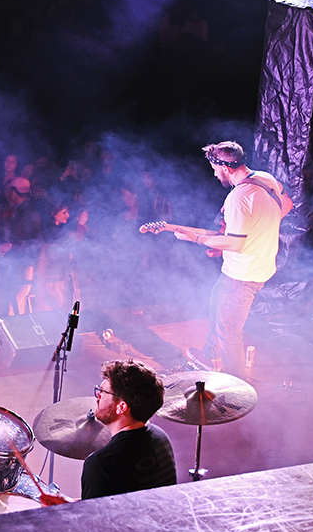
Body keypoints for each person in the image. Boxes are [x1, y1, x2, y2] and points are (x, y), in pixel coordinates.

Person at [145, 141, 292, 375]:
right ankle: (210, 355)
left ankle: (237, 386)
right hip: (260, 266)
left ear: (224, 166)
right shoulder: (265, 178)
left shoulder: (238, 197)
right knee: (217, 300)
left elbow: (234, 243)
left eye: (214, 168)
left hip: (243, 274)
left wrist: (195, 238)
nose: (214, 174)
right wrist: (262, 226)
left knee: (229, 333)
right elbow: (287, 204)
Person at [81, 360, 177, 500]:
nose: (97, 396)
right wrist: (70, 504)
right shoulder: (160, 436)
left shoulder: (101, 464)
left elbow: (92, 519)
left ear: (122, 407)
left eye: (103, 392)